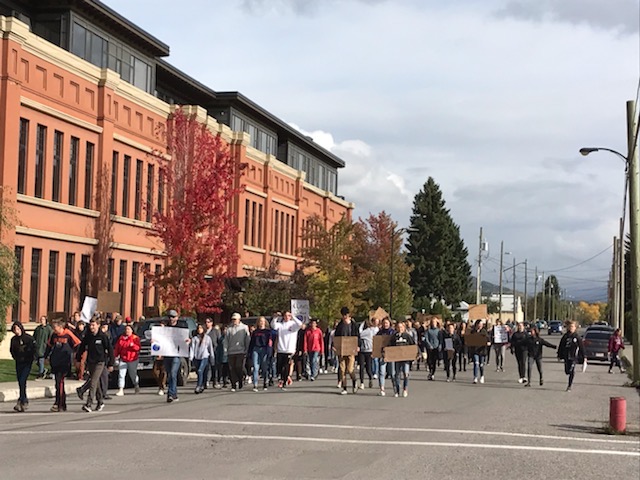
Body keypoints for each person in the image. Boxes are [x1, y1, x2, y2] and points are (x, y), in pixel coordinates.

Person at [77, 318, 114, 412]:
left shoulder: (103, 336)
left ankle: (88, 404)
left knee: (93, 382)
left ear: (98, 325)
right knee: (96, 383)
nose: (91, 327)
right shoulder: (88, 336)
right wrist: (78, 358)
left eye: (93, 325)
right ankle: (100, 401)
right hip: (91, 361)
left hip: (100, 362)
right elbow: (82, 347)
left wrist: (111, 363)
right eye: (90, 325)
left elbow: (110, 349)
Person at [45, 320, 81, 412]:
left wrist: (76, 358)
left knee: (60, 383)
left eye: (55, 328)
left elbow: (77, 344)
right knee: (58, 383)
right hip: (56, 361)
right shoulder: (54, 335)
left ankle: (58, 403)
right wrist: (46, 357)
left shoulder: (68, 334)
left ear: (60, 327)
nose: (54, 330)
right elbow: (49, 346)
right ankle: (62, 404)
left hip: (65, 362)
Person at [271, 311, 304, 390]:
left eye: (288, 315)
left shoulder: (293, 325)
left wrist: (294, 317)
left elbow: (300, 324)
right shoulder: (281, 325)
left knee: (286, 365)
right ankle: (282, 377)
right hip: (281, 349)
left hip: (290, 349)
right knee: (279, 366)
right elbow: (273, 325)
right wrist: (275, 317)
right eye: (285, 315)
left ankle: (284, 380)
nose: (287, 317)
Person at [163, 309, 190, 403]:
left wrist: (187, 341)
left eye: (173, 317)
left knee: (173, 373)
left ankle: (170, 394)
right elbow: (160, 340)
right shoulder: (165, 328)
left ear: (177, 318)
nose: (171, 319)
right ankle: (174, 394)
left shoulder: (181, 327)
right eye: (170, 317)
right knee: (170, 374)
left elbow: (186, 338)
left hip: (176, 354)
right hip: (167, 354)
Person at [10, 322, 36, 412]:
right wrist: (15, 357)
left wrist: (31, 357)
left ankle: (22, 400)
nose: (16, 331)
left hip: (27, 362)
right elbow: (12, 350)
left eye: (17, 329)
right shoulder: (14, 340)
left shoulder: (28, 338)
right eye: (14, 329)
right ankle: (23, 400)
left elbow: (33, 348)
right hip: (18, 362)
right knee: (21, 382)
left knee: (22, 380)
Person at [333, 307, 359, 395]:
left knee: (350, 369)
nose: (345, 317)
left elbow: (357, 336)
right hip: (341, 350)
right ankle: (345, 388)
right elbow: (336, 337)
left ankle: (354, 381)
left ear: (349, 315)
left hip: (351, 349)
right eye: (343, 315)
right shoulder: (340, 326)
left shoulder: (353, 325)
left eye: (346, 315)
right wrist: (334, 346)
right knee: (342, 369)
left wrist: (358, 346)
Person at [557, 320, 585, 392]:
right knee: (567, 371)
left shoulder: (577, 337)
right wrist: (559, 355)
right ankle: (569, 372)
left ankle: (569, 386)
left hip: (573, 356)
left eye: (572, 326)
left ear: (575, 328)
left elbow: (582, 347)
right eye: (570, 326)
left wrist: (584, 357)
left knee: (571, 370)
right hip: (566, 356)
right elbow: (561, 346)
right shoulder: (565, 336)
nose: (571, 328)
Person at [114, 324, 141, 396]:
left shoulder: (135, 338)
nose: (127, 331)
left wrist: (133, 346)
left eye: (129, 329)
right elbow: (117, 348)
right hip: (123, 359)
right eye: (126, 329)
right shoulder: (121, 338)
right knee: (121, 374)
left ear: (132, 330)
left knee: (133, 374)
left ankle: (136, 385)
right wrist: (115, 356)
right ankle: (121, 389)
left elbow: (138, 348)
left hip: (133, 359)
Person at [390, 321, 415, 397]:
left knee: (405, 374)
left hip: (405, 358)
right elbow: (390, 346)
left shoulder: (407, 336)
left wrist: (416, 354)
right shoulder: (394, 336)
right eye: (398, 327)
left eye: (401, 327)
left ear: (404, 328)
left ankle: (405, 389)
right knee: (397, 374)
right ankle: (397, 391)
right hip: (397, 359)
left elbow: (413, 345)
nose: (400, 329)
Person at [226, 312, 250, 392]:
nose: (234, 321)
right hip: (231, 351)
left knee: (239, 366)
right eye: (233, 319)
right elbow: (226, 340)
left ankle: (241, 379)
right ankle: (233, 384)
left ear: (239, 319)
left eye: (235, 319)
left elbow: (247, 339)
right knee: (232, 368)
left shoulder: (244, 328)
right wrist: (225, 349)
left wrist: (246, 349)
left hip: (241, 351)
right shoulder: (229, 328)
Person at [248, 316, 273, 391]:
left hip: (264, 349)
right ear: (258, 323)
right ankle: (255, 384)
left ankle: (265, 382)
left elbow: (270, 343)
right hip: (256, 349)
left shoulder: (268, 332)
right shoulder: (255, 332)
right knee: (256, 367)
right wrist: (249, 352)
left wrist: (269, 352)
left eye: (263, 321)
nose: (261, 323)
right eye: (260, 321)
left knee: (264, 367)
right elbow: (251, 343)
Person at [190, 324, 215, 393]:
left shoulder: (207, 338)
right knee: (200, 372)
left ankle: (198, 386)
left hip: (204, 357)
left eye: (201, 328)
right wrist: (191, 357)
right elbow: (192, 348)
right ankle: (203, 384)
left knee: (200, 370)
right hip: (197, 357)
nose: (199, 329)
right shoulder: (195, 338)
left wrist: (212, 359)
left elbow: (210, 349)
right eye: (198, 328)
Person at [358, 317, 378, 389]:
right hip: (367, 351)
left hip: (365, 351)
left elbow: (360, 333)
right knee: (367, 367)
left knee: (363, 367)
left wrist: (362, 324)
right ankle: (369, 378)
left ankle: (362, 382)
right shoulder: (373, 331)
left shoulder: (366, 332)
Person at [376, 318, 395, 396]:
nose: (385, 324)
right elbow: (376, 343)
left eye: (386, 323)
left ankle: (395, 388)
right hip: (382, 354)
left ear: (389, 323)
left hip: (391, 355)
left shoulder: (393, 333)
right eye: (384, 323)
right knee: (381, 372)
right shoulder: (379, 333)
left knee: (392, 373)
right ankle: (382, 388)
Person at [467, 319, 490, 384]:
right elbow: (469, 339)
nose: (480, 326)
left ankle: (482, 376)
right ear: (476, 325)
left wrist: (488, 343)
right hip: (475, 350)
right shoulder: (473, 332)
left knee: (481, 365)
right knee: (476, 364)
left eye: (481, 324)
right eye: (479, 324)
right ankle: (475, 377)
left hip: (482, 351)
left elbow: (488, 339)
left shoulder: (484, 332)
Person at [33, 315, 52, 380]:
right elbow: (34, 336)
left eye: (43, 319)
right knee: (36, 361)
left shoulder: (48, 328)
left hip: (44, 347)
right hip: (38, 346)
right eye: (41, 319)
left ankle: (41, 374)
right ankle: (43, 370)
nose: (41, 321)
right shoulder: (38, 328)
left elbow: (51, 337)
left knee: (41, 360)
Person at [204, 318, 221, 387]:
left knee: (214, 367)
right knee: (207, 367)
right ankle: (206, 381)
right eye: (206, 322)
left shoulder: (215, 331)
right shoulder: (204, 331)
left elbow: (219, 340)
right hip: (205, 351)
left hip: (214, 351)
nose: (207, 323)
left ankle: (215, 381)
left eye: (208, 322)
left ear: (211, 323)